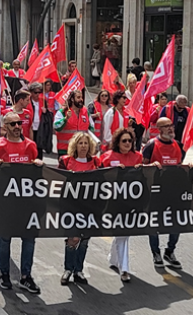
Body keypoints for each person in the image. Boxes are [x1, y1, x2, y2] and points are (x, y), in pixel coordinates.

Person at [0, 111, 43, 293]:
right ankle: (5, 275)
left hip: (27, 204)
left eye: (19, 123)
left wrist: (39, 165)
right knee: (4, 240)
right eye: (12, 124)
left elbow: (40, 177)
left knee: (29, 240)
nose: (17, 127)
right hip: (4, 205)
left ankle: (26, 277)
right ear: (5, 127)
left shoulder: (31, 146)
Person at [142, 117, 187, 269]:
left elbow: (179, 164)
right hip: (156, 192)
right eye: (166, 126)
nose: (170, 128)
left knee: (177, 222)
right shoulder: (151, 145)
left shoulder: (178, 145)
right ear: (159, 129)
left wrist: (187, 167)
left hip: (174, 190)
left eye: (171, 125)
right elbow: (142, 167)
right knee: (154, 222)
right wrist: (151, 166)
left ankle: (170, 251)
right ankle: (156, 252)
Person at [100, 127, 142, 283]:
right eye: (124, 141)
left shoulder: (137, 157)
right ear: (118, 142)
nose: (127, 143)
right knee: (122, 233)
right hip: (113, 202)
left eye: (130, 140)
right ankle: (124, 269)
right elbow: (99, 176)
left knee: (123, 234)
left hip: (131, 202)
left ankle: (114, 259)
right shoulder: (107, 157)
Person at [59, 132, 101, 285]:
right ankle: (68, 269)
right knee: (72, 239)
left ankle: (78, 270)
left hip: (89, 207)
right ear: (75, 145)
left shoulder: (96, 162)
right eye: (80, 143)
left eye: (86, 143)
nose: (83, 146)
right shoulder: (65, 161)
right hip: (71, 207)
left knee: (83, 240)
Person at [53, 91, 93, 156]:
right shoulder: (62, 112)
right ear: (72, 99)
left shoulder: (85, 112)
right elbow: (56, 127)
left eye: (81, 97)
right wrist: (66, 118)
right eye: (78, 97)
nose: (81, 99)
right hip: (65, 150)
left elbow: (92, 127)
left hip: (81, 151)